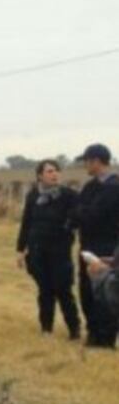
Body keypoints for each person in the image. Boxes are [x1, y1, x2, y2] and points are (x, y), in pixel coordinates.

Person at [15, 159, 81, 338]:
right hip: (37, 251)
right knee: (45, 291)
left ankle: (74, 330)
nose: (54, 174)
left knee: (63, 290)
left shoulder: (69, 195)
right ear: (40, 176)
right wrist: (20, 250)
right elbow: (26, 223)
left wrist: (69, 225)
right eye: (50, 171)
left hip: (60, 252)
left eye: (56, 171)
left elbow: (78, 217)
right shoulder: (33, 196)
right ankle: (46, 329)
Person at [73, 143, 119, 348]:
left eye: (87, 161)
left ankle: (105, 338)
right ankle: (93, 331)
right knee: (86, 290)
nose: (85, 165)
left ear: (97, 161)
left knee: (106, 292)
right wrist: (81, 214)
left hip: (107, 246)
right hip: (87, 244)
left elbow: (94, 215)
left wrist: (82, 213)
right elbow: (76, 213)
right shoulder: (90, 186)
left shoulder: (114, 187)